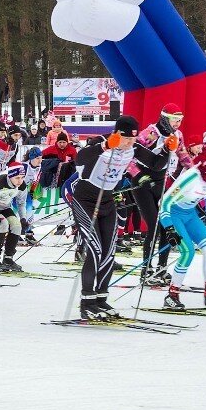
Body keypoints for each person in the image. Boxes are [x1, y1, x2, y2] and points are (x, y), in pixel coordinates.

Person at [65, 116, 173, 318]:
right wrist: (105, 146)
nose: (130, 143)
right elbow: (80, 158)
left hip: (107, 201)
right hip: (85, 200)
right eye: (127, 139)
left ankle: (100, 299)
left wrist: (167, 150)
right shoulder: (101, 141)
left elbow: (156, 164)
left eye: (133, 139)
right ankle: (86, 302)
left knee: (109, 252)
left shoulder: (133, 148)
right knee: (95, 250)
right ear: (117, 134)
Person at [127, 103, 193, 286]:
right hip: (142, 182)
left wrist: (198, 174)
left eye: (180, 120)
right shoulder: (151, 132)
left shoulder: (177, 135)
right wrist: (137, 175)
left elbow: (184, 157)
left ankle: (161, 268)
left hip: (160, 181)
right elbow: (129, 153)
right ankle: (146, 270)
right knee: (154, 226)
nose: (178, 123)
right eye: (174, 120)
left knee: (166, 224)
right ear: (165, 118)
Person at [159, 144, 206, 310]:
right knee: (188, 252)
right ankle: (172, 296)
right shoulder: (191, 176)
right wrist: (169, 229)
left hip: (190, 215)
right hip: (174, 214)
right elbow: (165, 202)